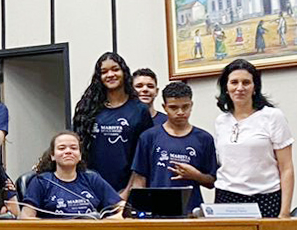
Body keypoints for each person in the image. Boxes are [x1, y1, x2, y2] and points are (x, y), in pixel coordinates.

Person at [212, 59, 294, 218]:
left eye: (246, 82)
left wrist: (284, 212)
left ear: (255, 87)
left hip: (265, 196)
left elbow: (287, 168)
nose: (240, 88)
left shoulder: (272, 116)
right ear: (226, 88)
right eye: (234, 82)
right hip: (226, 196)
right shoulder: (221, 121)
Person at [127, 81, 217, 214]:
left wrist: (195, 175)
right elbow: (140, 179)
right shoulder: (148, 137)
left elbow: (211, 181)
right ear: (164, 107)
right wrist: (140, 210)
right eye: (174, 107)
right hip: (155, 211)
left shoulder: (204, 139)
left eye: (185, 107)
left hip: (191, 211)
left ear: (191, 105)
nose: (180, 112)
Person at [71, 52, 153, 195]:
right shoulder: (88, 109)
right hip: (90, 189)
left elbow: (142, 158)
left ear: (124, 73)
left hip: (125, 190)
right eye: (104, 72)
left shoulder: (139, 110)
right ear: (99, 77)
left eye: (115, 69)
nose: (110, 74)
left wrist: (127, 192)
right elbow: (77, 152)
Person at [20, 131, 123, 220]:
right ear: (53, 156)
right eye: (62, 148)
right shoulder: (41, 181)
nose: (68, 151)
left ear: (80, 155)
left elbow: (121, 208)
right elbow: (26, 217)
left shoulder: (92, 178)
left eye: (73, 148)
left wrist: (104, 222)